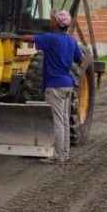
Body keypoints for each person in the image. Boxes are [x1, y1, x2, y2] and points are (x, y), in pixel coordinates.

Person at [22, 10, 82, 163]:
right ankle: (65, 154)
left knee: (58, 122)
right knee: (64, 120)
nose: (50, 21)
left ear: (56, 23)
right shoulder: (71, 40)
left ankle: (58, 156)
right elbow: (79, 59)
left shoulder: (51, 38)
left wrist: (16, 35)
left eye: (52, 19)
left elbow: (29, 38)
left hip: (54, 86)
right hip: (68, 84)